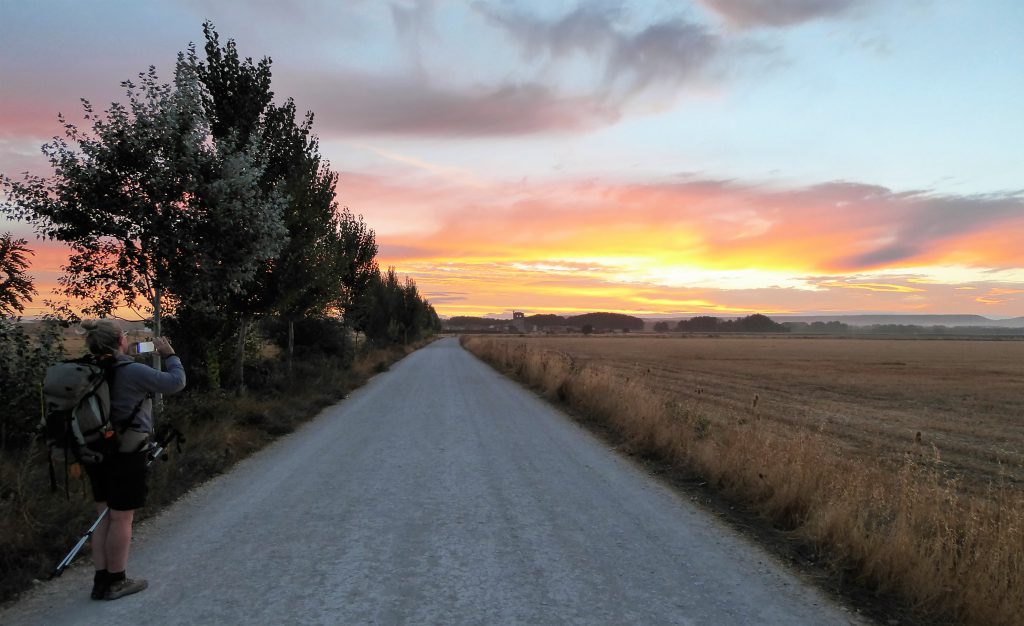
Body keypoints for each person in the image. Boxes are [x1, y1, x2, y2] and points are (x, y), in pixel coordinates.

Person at [79, 319, 186, 601]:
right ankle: (117, 581)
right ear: (119, 341)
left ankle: (101, 581)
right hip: (127, 452)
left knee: (103, 516)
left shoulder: (86, 370)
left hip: (94, 451)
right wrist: (170, 355)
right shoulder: (133, 371)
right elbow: (176, 383)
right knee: (122, 517)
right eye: (124, 335)